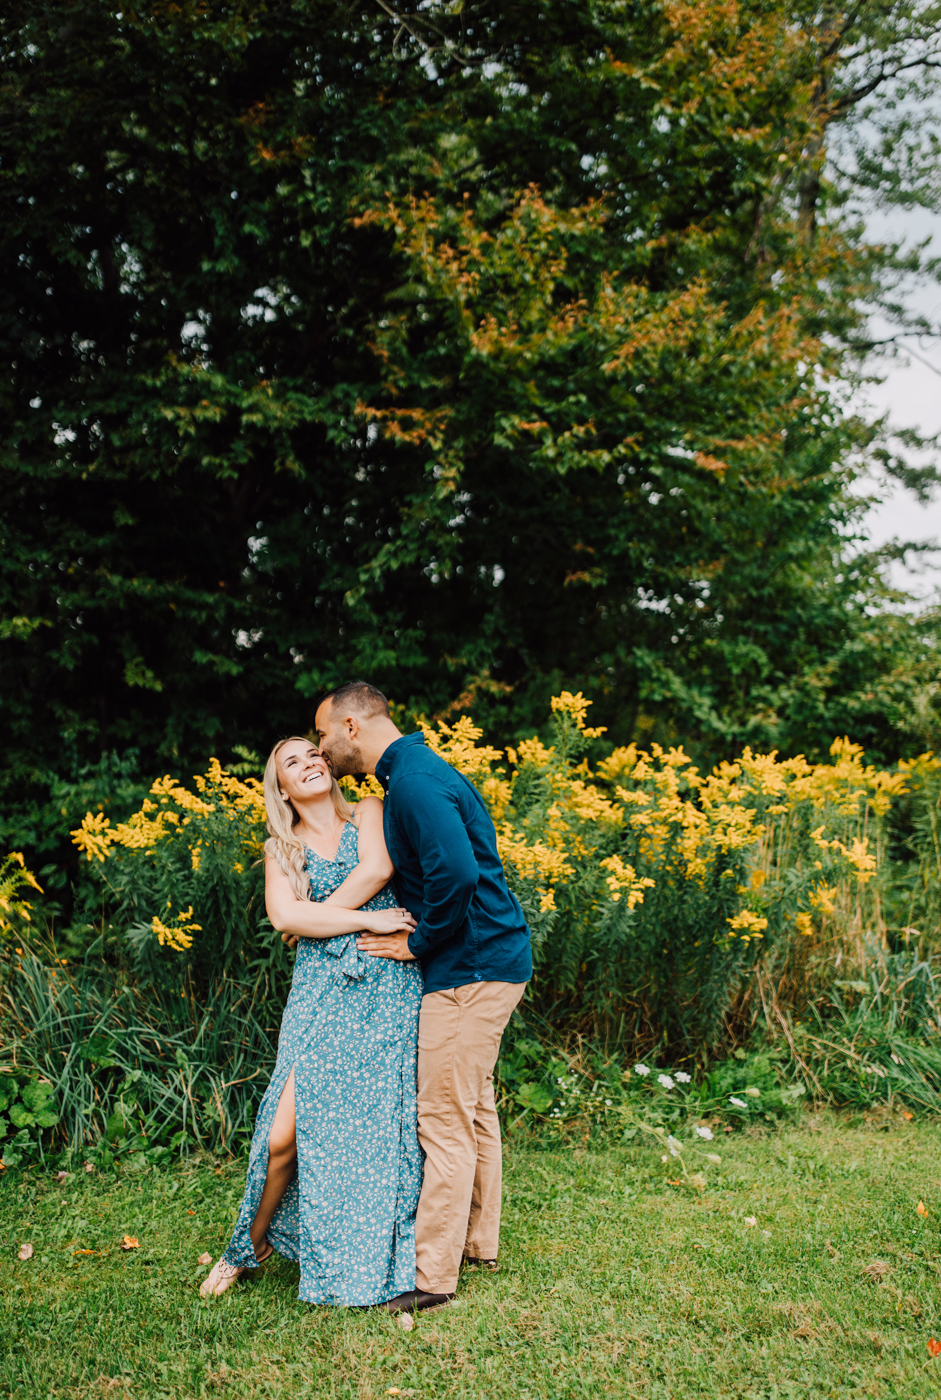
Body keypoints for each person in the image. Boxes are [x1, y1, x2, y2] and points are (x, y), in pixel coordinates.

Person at [315, 680, 533, 1314]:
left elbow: (459, 874)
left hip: (470, 966)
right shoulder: (414, 771)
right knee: (473, 1107)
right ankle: (477, 1241)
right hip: (489, 959)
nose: (322, 748)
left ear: (352, 727)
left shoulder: (410, 782)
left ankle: (433, 1278)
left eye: (325, 733)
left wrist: (420, 943)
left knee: (441, 1116)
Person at [199, 737, 423, 1305]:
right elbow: (283, 918)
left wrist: (317, 918)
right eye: (292, 763)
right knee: (282, 1135)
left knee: (370, 1131)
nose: (310, 764)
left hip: (382, 989)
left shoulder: (369, 811)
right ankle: (248, 1247)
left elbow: (378, 868)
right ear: (282, 789)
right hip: (319, 995)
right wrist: (354, 920)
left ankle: (363, 1248)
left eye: (313, 754)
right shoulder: (283, 848)